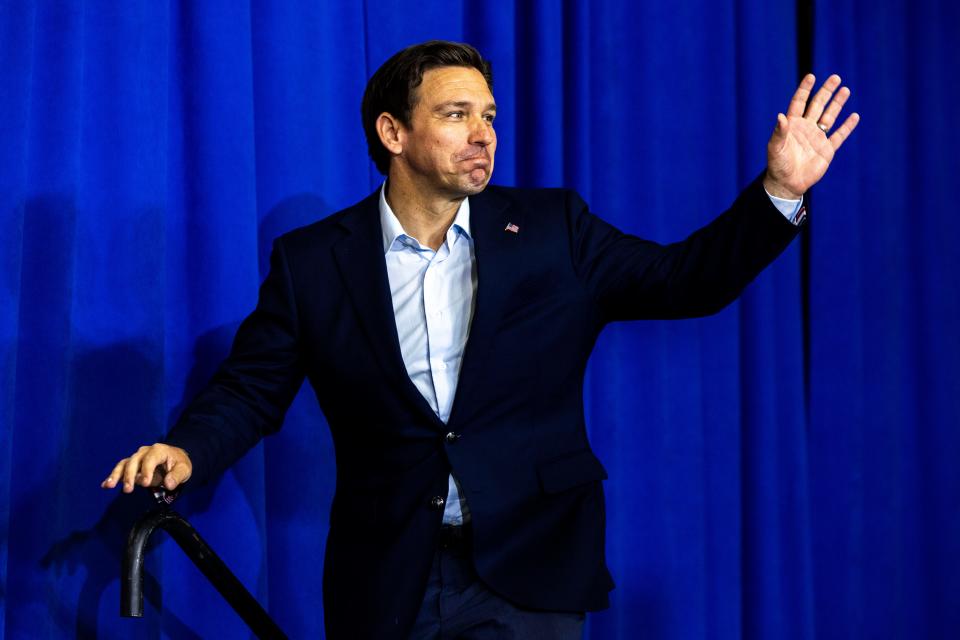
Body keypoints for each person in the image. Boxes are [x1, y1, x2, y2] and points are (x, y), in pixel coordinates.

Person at [102, 41, 858, 639]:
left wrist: (780, 193)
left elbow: (686, 281)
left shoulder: (554, 230)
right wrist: (189, 450)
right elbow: (251, 388)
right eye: (457, 114)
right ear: (393, 132)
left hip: (528, 569)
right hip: (387, 578)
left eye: (489, 116)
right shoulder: (314, 262)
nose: (484, 134)